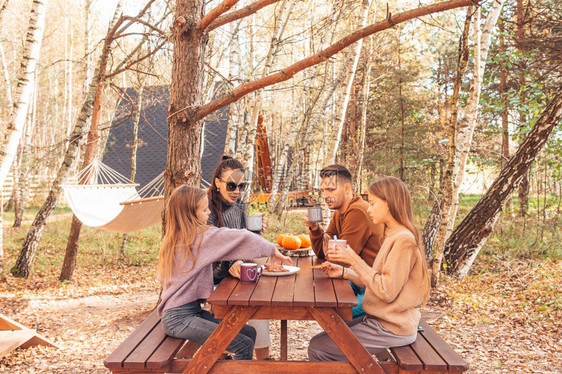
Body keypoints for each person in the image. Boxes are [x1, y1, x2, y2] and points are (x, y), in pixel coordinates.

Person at [157, 185, 291, 360]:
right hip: (179, 319)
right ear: (191, 213)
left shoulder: (176, 237)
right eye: (204, 210)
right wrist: (271, 249)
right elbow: (241, 236)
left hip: (185, 313)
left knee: (249, 332)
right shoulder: (200, 238)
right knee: (244, 344)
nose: (208, 214)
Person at [307, 176, 430, 361]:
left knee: (319, 348)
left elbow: (386, 291)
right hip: (381, 319)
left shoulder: (403, 240)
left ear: (389, 204)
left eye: (372, 203)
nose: (369, 208)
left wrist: (354, 261)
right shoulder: (393, 234)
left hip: (392, 326)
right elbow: (379, 278)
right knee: (326, 334)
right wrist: (344, 272)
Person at [207, 155, 272, 360]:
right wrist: (233, 261)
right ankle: (251, 362)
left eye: (241, 186)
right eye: (232, 185)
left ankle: (264, 363)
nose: (237, 191)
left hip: (237, 276)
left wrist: (257, 233)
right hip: (214, 282)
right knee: (251, 305)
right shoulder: (206, 209)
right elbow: (210, 250)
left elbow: (245, 244)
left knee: (258, 305)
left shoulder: (240, 206)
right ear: (218, 183)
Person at [303, 164, 384, 318]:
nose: (325, 195)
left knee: (334, 315)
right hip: (357, 279)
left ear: (347, 188)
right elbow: (321, 251)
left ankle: (349, 342)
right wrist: (314, 228)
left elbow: (340, 259)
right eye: (323, 191)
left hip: (373, 287)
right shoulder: (340, 212)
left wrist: (329, 249)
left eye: (331, 189)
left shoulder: (357, 212)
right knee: (318, 293)